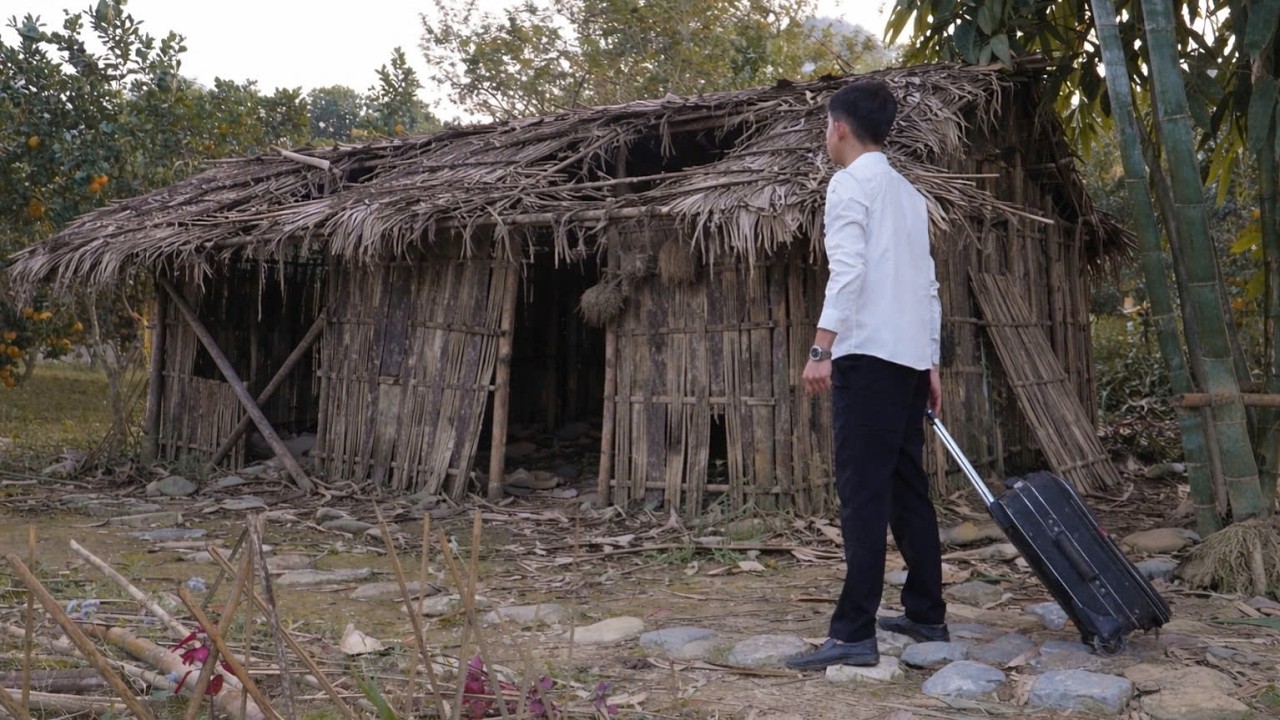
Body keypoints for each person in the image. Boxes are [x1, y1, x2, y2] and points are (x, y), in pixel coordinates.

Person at [786, 78, 949, 671]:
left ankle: (854, 632)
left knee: (862, 495)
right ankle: (927, 614)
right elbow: (927, 287)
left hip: (867, 359)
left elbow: (848, 271)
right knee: (907, 486)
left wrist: (821, 347)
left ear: (840, 127)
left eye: (826, 127)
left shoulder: (848, 185)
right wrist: (930, 362)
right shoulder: (909, 195)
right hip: (906, 361)